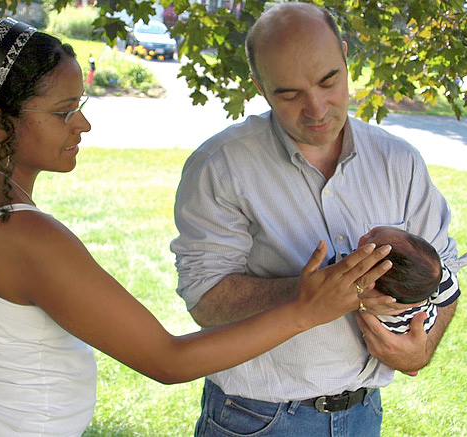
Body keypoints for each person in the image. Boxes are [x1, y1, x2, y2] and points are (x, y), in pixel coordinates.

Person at [0, 18, 394, 436]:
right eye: (63, 111)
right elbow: (167, 360)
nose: (84, 123)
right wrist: (305, 310)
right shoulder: (23, 236)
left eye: (82, 105)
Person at [170, 3, 462, 436]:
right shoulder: (220, 166)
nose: (317, 108)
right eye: (288, 94)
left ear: (346, 57)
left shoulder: (399, 160)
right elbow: (205, 299)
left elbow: (445, 271)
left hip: (364, 414)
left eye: (329, 81)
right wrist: (313, 294)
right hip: (256, 418)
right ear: (259, 86)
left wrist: (419, 351)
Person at [355, 226, 461, 334]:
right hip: (421, 326)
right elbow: (450, 297)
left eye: (373, 236)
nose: (364, 236)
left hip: (386, 334)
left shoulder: (360, 278)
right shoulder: (432, 271)